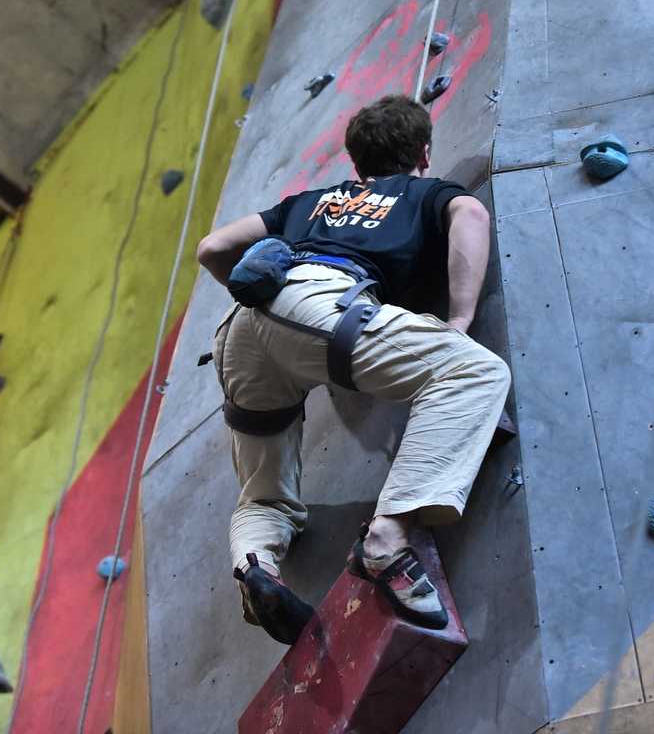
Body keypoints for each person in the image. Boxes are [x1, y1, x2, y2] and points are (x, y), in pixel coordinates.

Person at [196, 94, 510, 644]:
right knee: (476, 373)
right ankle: (388, 537)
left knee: (265, 496)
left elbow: (213, 247)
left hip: (241, 329)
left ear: (355, 163)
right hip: (322, 309)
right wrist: (458, 323)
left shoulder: (312, 201)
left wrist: (270, 310)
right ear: (424, 153)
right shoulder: (423, 192)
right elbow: (472, 214)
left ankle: (256, 569)